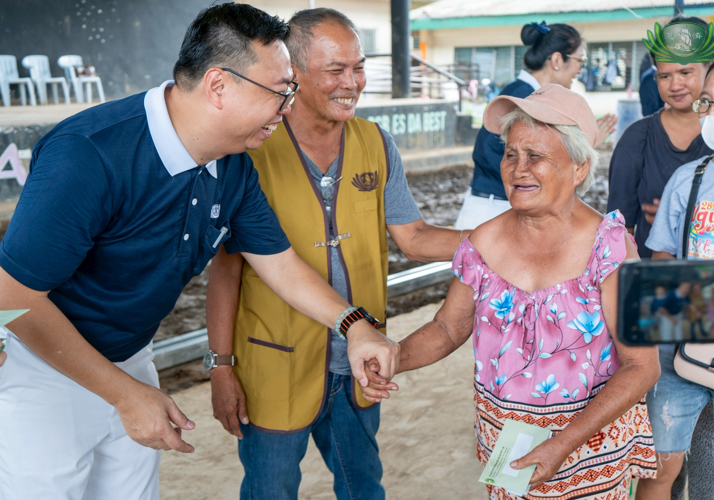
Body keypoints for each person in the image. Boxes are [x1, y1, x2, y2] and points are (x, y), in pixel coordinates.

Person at [0, 5, 399, 499]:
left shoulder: (233, 164)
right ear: (218, 86)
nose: (286, 108)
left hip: (131, 357)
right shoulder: (89, 154)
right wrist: (125, 395)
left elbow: (280, 266)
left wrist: (354, 325)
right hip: (48, 368)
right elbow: (11, 296)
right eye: (280, 91)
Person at [205, 9, 463, 500]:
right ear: (293, 75)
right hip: (274, 364)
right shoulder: (252, 150)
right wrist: (220, 366)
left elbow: (413, 236)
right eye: (335, 70)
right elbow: (227, 268)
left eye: (359, 67)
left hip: (361, 363)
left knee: (364, 485)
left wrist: (503, 236)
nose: (353, 83)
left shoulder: (375, 143)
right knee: (269, 490)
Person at [364, 84, 660, 500]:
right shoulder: (483, 243)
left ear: (578, 168)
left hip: (589, 452)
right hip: (506, 445)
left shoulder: (610, 248)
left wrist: (562, 442)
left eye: (536, 156)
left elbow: (642, 367)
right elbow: (448, 329)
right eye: (511, 154)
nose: (518, 169)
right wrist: (394, 358)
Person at [638, 52, 714, 500]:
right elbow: (661, 259)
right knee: (657, 470)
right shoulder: (690, 178)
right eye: (708, 101)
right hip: (677, 349)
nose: (712, 112)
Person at [455, 21, 616, 230]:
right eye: (581, 60)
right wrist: (586, 144)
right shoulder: (527, 100)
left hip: (491, 205)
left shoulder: (522, 92)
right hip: (495, 210)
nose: (580, 69)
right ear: (557, 59)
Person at [608, 16, 714, 259]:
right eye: (664, 75)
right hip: (653, 278)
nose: (675, 85)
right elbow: (619, 230)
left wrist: (687, 215)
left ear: (710, 67)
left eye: (685, 72)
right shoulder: (637, 138)